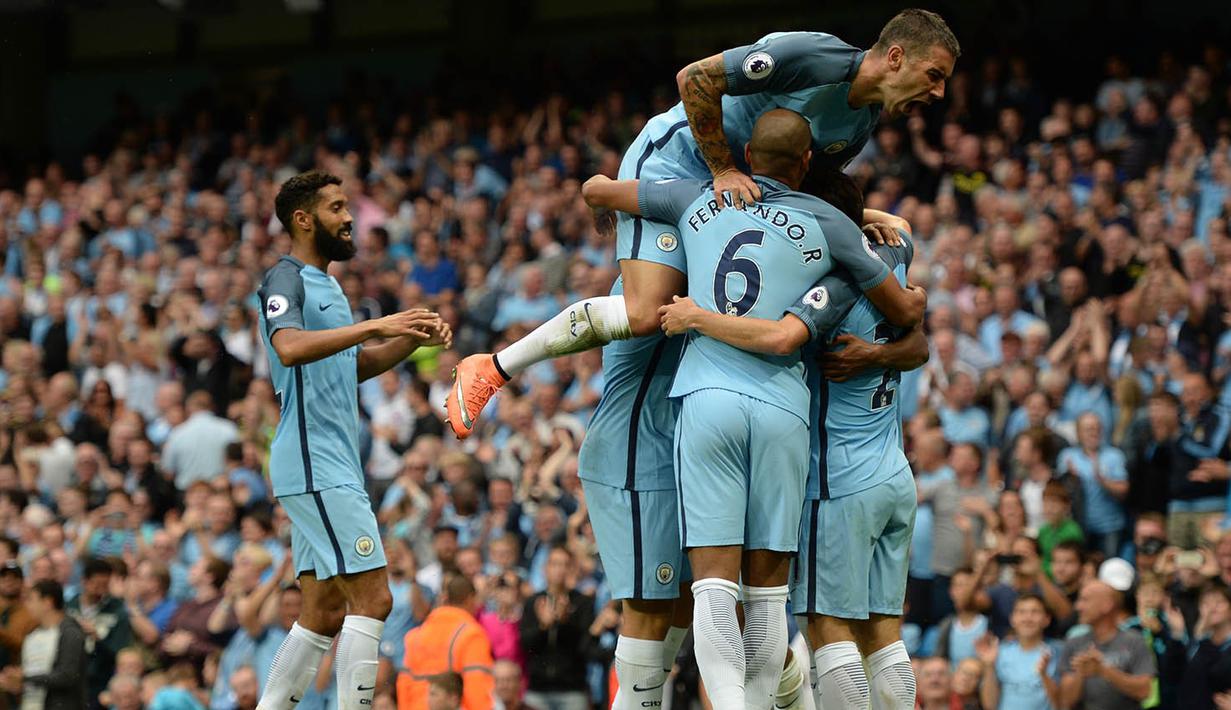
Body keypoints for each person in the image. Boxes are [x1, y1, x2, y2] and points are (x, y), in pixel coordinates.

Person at [445, 7, 957, 439]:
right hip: (677, 162)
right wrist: (721, 168)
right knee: (647, 313)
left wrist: (858, 218)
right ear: (895, 57)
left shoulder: (861, 123)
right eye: (934, 75)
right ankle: (493, 367)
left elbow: (796, 191)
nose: (937, 94)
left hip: (733, 189)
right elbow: (696, 78)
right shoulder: (814, 56)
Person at [582, 109, 924, 710]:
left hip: (709, 403)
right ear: (806, 162)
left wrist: (610, 207)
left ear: (745, 159)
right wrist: (874, 230)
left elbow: (598, 187)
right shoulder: (830, 229)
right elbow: (907, 311)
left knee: (714, 588)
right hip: (790, 416)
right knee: (770, 601)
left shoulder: (697, 198)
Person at [255, 171, 451, 710]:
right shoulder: (284, 279)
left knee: (321, 611)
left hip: (330, 463)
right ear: (303, 218)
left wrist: (409, 339)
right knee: (375, 597)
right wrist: (374, 326)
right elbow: (290, 347)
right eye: (337, 208)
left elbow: (351, 365)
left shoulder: (331, 285)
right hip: (315, 461)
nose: (349, 218)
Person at [397, 574, 493, 710]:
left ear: (446, 598)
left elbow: (404, 683)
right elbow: (476, 685)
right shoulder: (472, 635)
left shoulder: (416, 635)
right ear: (471, 599)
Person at [1057, 581, 1155, 709]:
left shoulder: (1135, 641)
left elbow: (1144, 691)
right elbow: (1066, 702)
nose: (1078, 606)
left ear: (1107, 605)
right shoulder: (1073, 643)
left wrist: (1104, 671)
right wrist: (1080, 672)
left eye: (1085, 600)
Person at [0, 580, 87, 710]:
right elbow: (31, 674)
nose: (27, 605)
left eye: (31, 599)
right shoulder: (33, 635)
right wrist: (15, 682)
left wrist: (25, 678)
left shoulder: (70, 632)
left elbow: (67, 675)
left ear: (47, 602)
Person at [1058, 413, 1130, 558]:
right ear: (1078, 433)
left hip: (1110, 527)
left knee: (1109, 568)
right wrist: (1071, 479)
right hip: (1079, 526)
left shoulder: (1114, 456)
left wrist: (1102, 481)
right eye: (1088, 429)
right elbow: (1059, 492)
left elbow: (1124, 490)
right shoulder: (1067, 456)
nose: (1094, 433)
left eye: (1097, 428)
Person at [975, 594, 1060, 709]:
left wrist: (1044, 675)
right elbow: (989, 705)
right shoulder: (1000, 651)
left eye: (1035, 612)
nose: (1027, 618)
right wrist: (989, 666)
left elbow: (1063, 704)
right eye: (1021, 612)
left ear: (1046, 619)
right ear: (1012, 619)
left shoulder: (1057, 651)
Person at [66, 557, 132, 706]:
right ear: (84, 581)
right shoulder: (69, 607)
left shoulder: (117, 610)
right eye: (97, 585)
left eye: (105, 585)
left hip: (99, 679)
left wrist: (97, 638)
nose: (101, 590)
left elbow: (120, 651)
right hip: (71, 677)